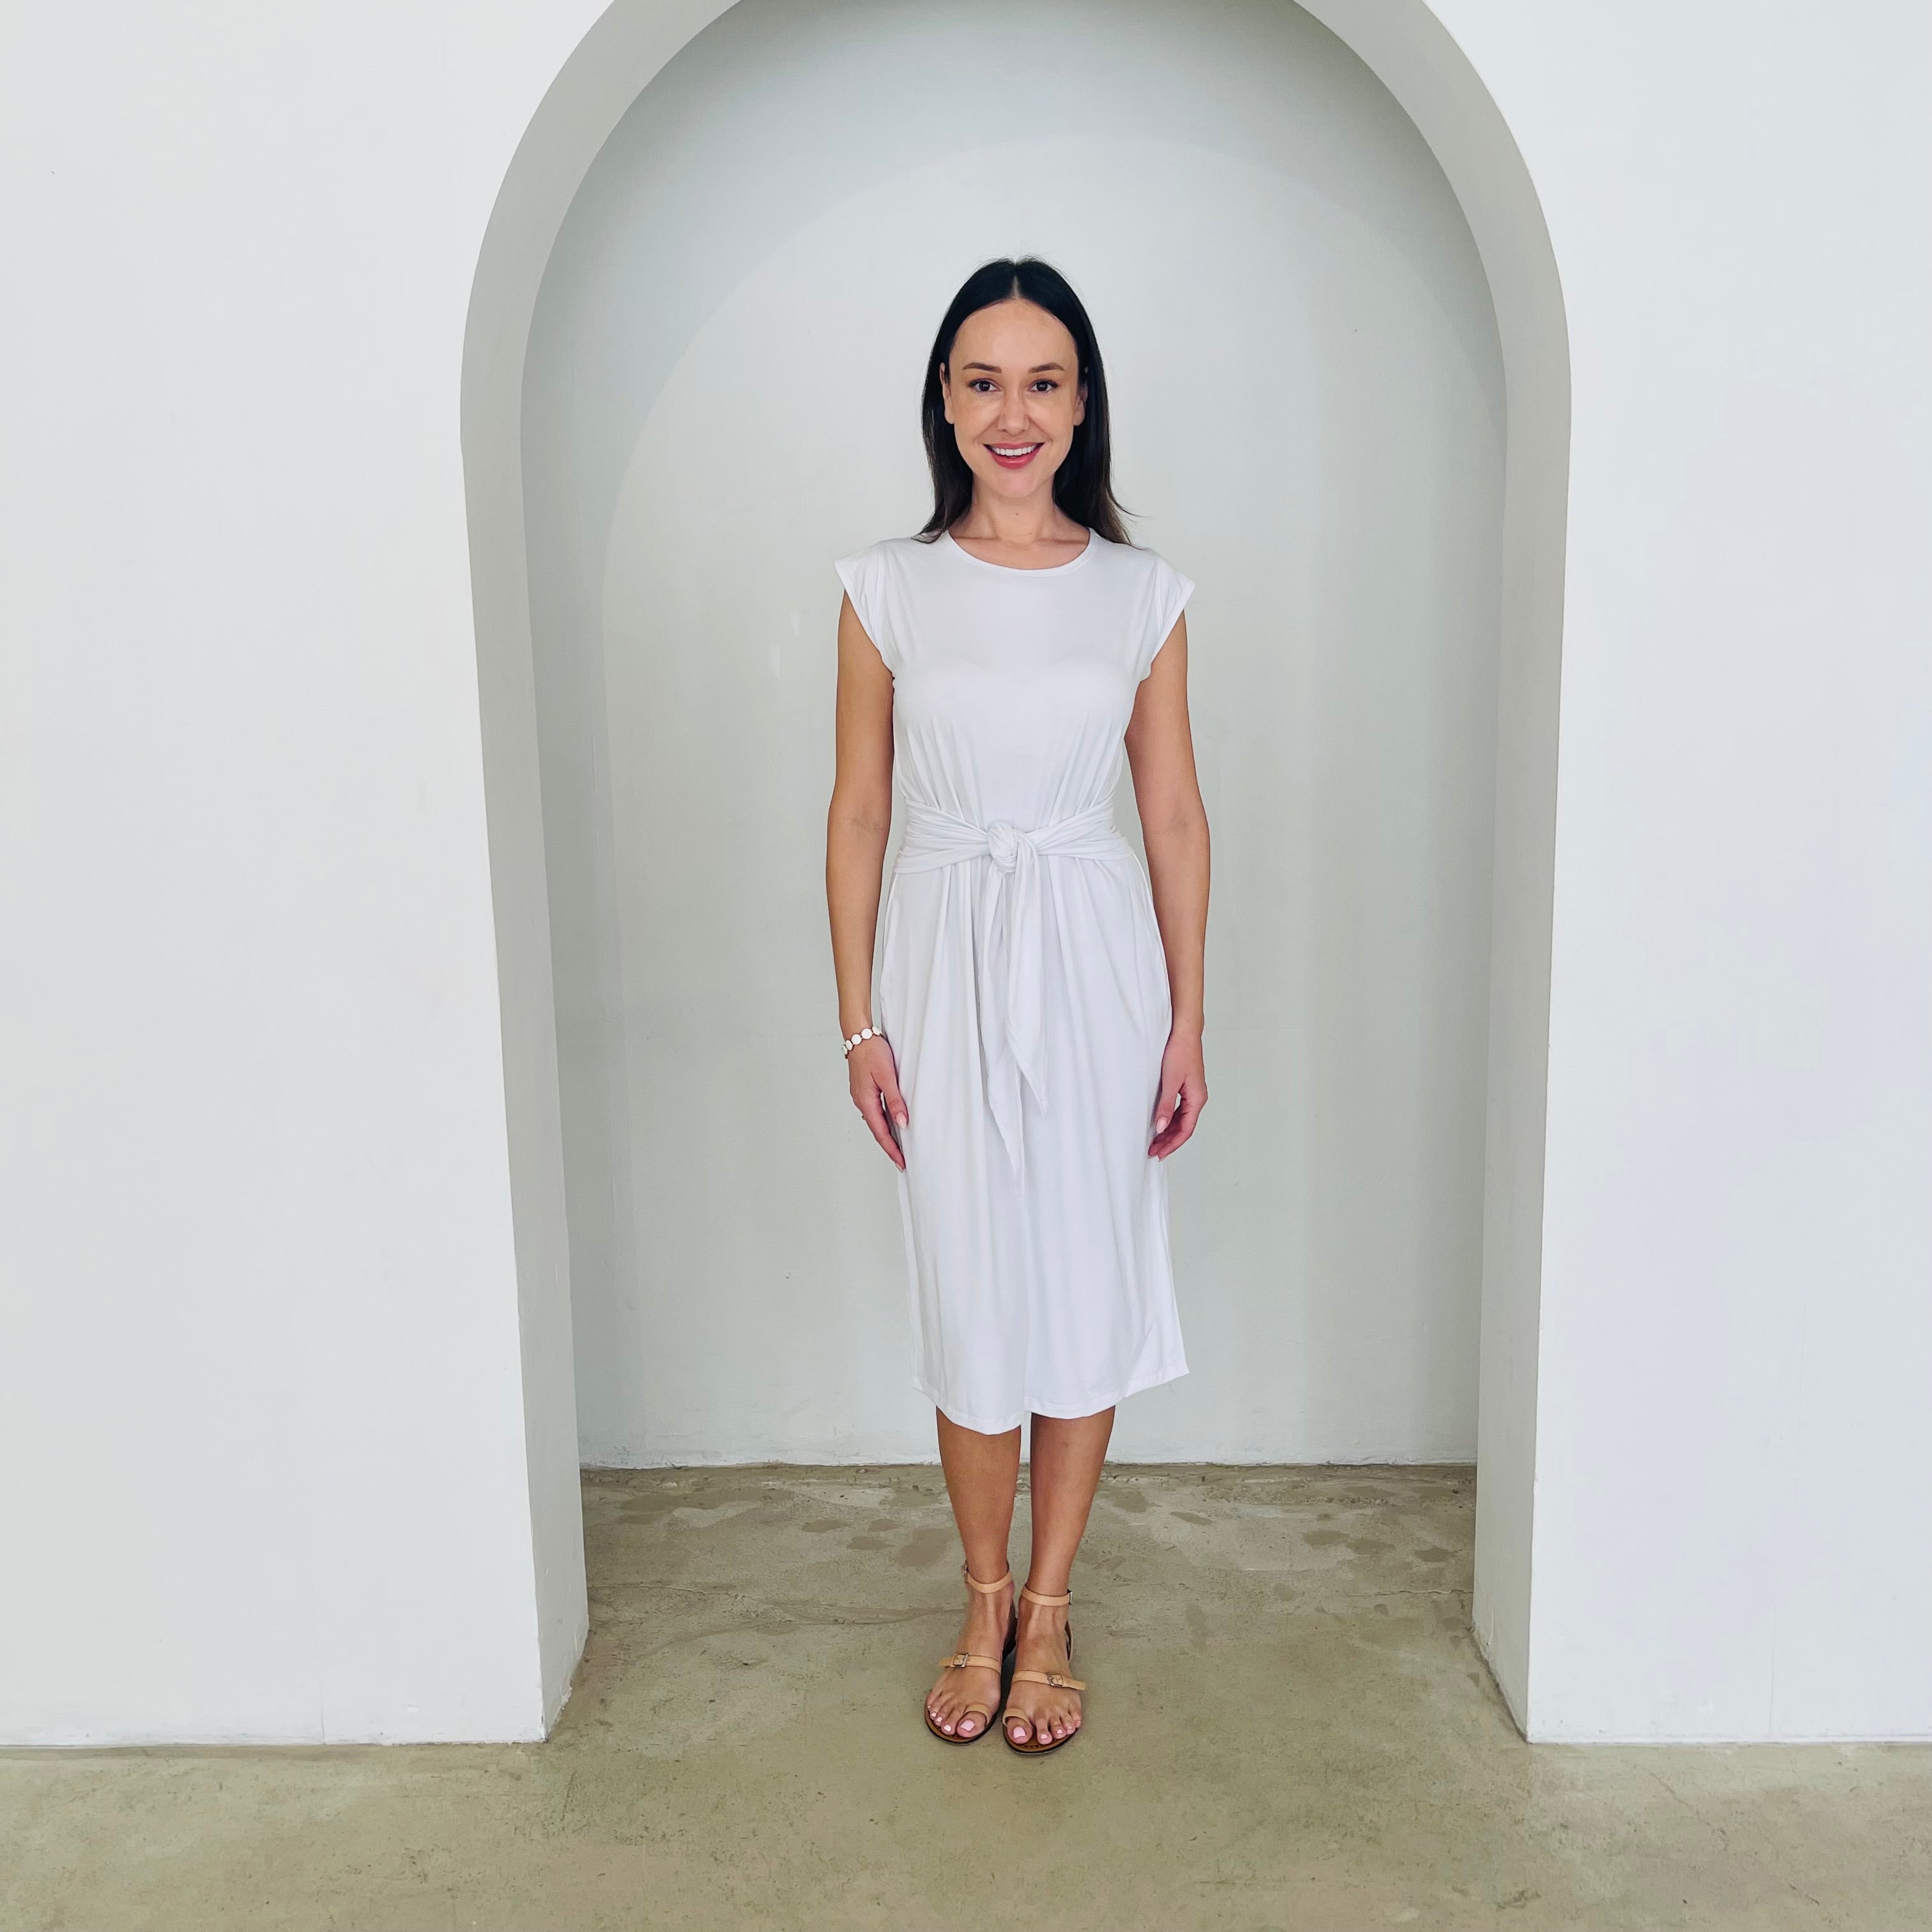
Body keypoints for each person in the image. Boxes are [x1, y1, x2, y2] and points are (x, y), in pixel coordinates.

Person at [824, 257, 1210, 1754]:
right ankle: (978, 1593)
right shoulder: (885, 588)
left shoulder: (1142, 594)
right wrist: (858, 1020)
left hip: (1096, 962)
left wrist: (1186, 1018)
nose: (1013, 412)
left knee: (1081, 1281)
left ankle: (1048, 1610)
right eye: (983, 381)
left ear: (1082, 403)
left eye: (1043, 382)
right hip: (941, 955)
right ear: (943, 397)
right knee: (975, 1281)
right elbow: (857, 812)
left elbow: (1170, 812)